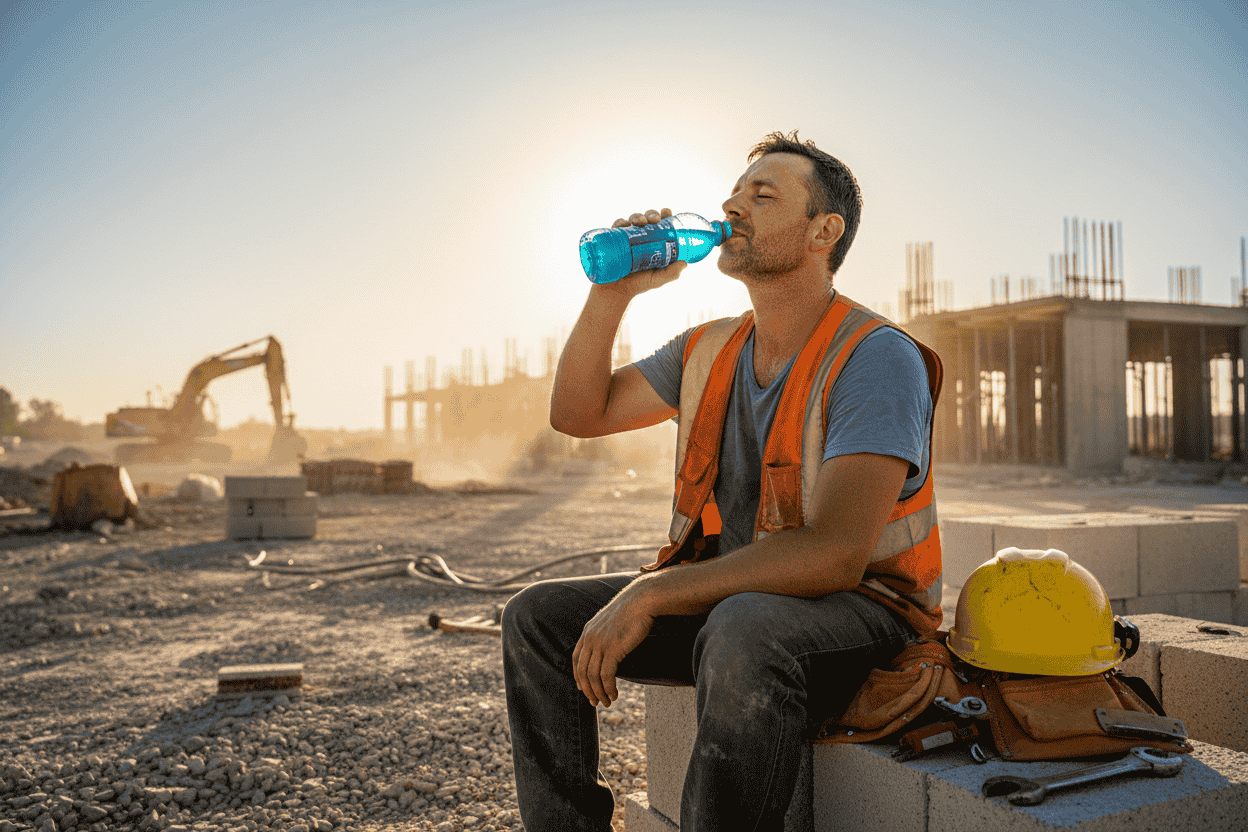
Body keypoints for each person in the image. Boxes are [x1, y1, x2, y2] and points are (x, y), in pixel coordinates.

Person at [502, 131, 944, 832]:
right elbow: (577, 414)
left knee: (742, 626)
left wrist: (652, 590)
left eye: (761, 196)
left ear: (823, 231)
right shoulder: (710, 346)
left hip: (864, 619)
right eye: (733, 193)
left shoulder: (875, 356)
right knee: (537, 617)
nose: (732, 207)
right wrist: (610, 294)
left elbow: (836, 554)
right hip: (739, 606)